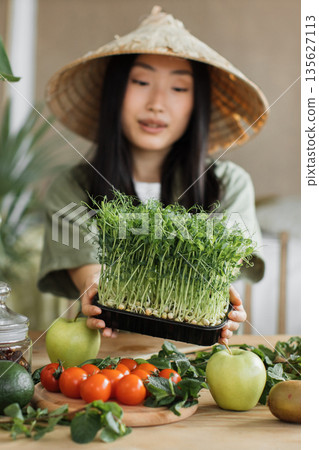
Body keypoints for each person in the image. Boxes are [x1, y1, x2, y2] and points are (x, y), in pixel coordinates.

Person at [38, 6, 268, 345]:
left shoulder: (230, 184)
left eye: (179, 88)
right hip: (102, 357)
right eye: (141, 82)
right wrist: (97, 287)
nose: (157, 103)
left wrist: (217, 297)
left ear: (197, 104)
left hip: (194, 360)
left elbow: (220, 271)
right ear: (115, 92)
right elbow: (92, 273)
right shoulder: (72, 188)